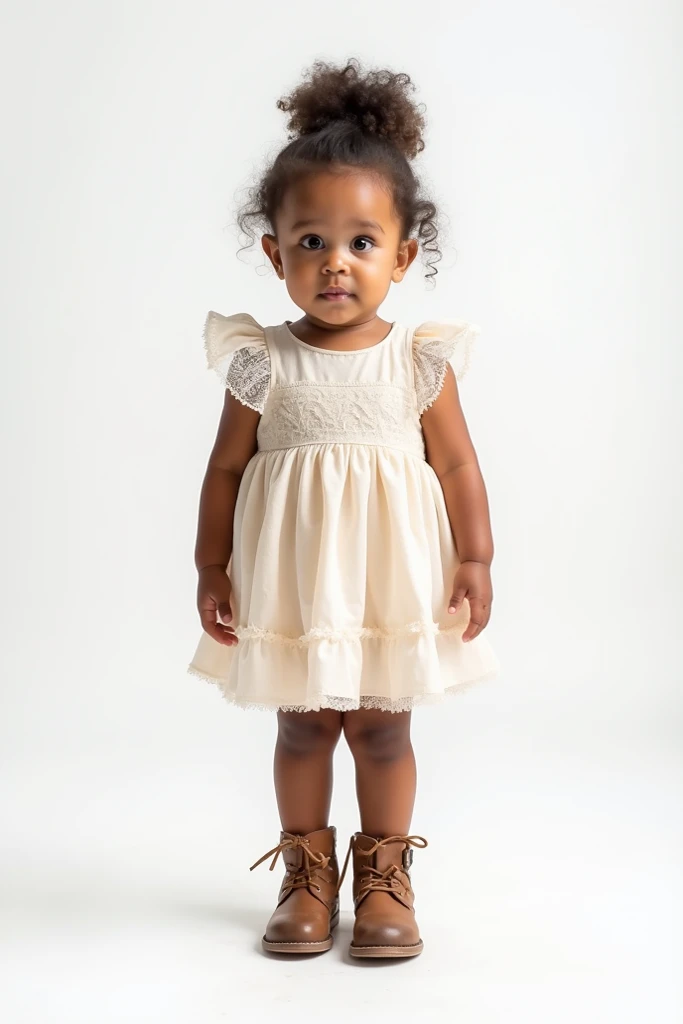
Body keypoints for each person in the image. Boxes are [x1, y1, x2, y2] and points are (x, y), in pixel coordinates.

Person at [187, 57, 501, 959]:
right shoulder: (260, 361)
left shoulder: (418, 359)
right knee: (302, 723)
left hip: (388, 578)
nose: (336, 262)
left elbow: (457, 464)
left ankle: (387, 878)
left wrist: (475, 559)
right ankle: (304, 874)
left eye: (362, 242)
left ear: (403, 256)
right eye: (312, 241)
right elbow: (223, 471)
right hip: (292, 581)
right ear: (275, 252)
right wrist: (211, 566)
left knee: (381, 724)